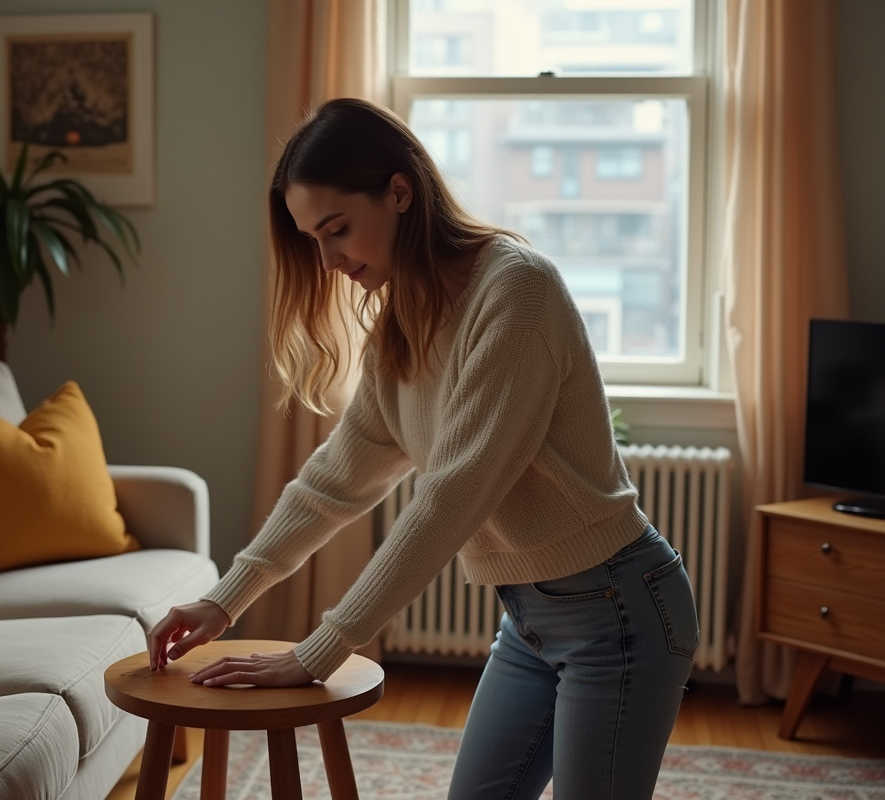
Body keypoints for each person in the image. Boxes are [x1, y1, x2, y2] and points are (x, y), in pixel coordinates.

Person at [147, 97, 699, 800]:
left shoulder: (517, 292)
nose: (329, 260)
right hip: (529, 623)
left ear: (400, 192)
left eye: (337, 229)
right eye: (313, 238)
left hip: (619, 613)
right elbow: (333, 482)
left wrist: (319, 652)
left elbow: (453, 498)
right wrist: (223, 602)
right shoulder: (402, 322)